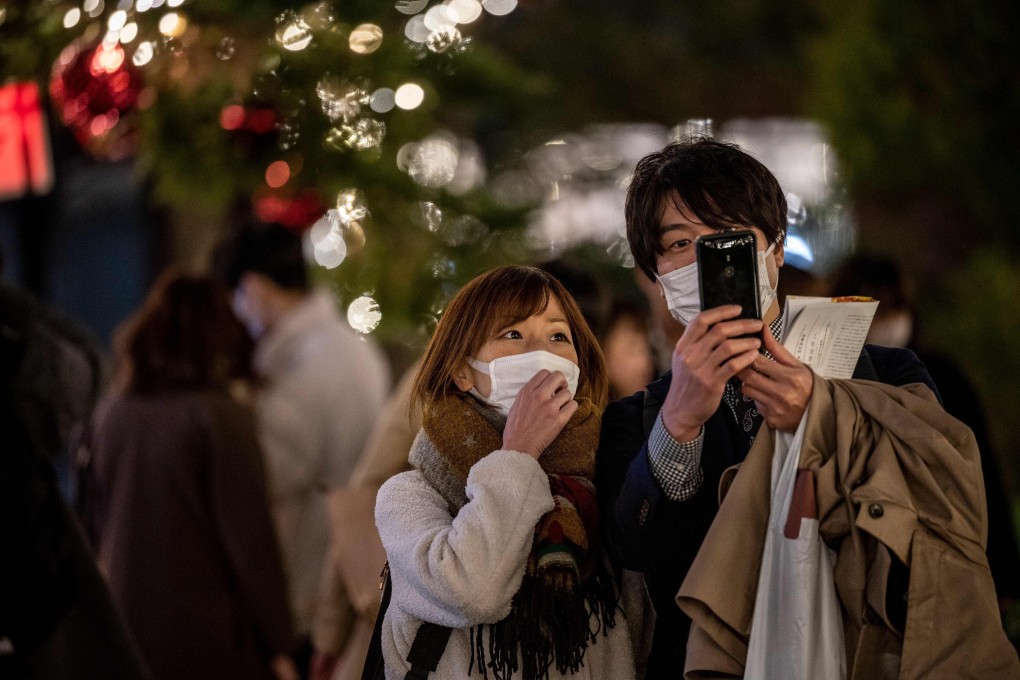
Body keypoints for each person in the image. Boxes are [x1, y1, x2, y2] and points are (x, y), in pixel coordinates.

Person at [595, 138, 947, 677]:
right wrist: (678, 424)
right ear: (657, 274)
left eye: (728, 235)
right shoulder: (636, 417)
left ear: (775, 249)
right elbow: (637, 551)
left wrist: (824, 416)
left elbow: (937, 507)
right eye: (681, 243)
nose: (708, 259)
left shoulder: (884, 373)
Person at [375, 265, 636, 679]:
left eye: (558, 336)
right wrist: (519, 452)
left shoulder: (604, 480)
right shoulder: (409, 495)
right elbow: (473, 592)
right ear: (462, 371)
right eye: (513, 334)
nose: (542, 353)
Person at [88, 270, 296, 680]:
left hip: (125, 634)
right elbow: (251, 545)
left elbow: (95, 524)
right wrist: (280, 643)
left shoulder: (112, 414)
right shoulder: (219, 418)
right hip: (210, 642)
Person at [215, 221, 392, 668]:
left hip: (314, 579)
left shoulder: (302, 366)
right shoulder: (346, 346)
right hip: (345, 566)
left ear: (254, 287)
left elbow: (266, 474)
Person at [829, 252, 1020, 614]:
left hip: (937, 549)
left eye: (894, 309)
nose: (886, 323)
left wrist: (1000, 572)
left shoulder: (942, 375)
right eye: (876, 312)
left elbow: (978, 469)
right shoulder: (831, 378)